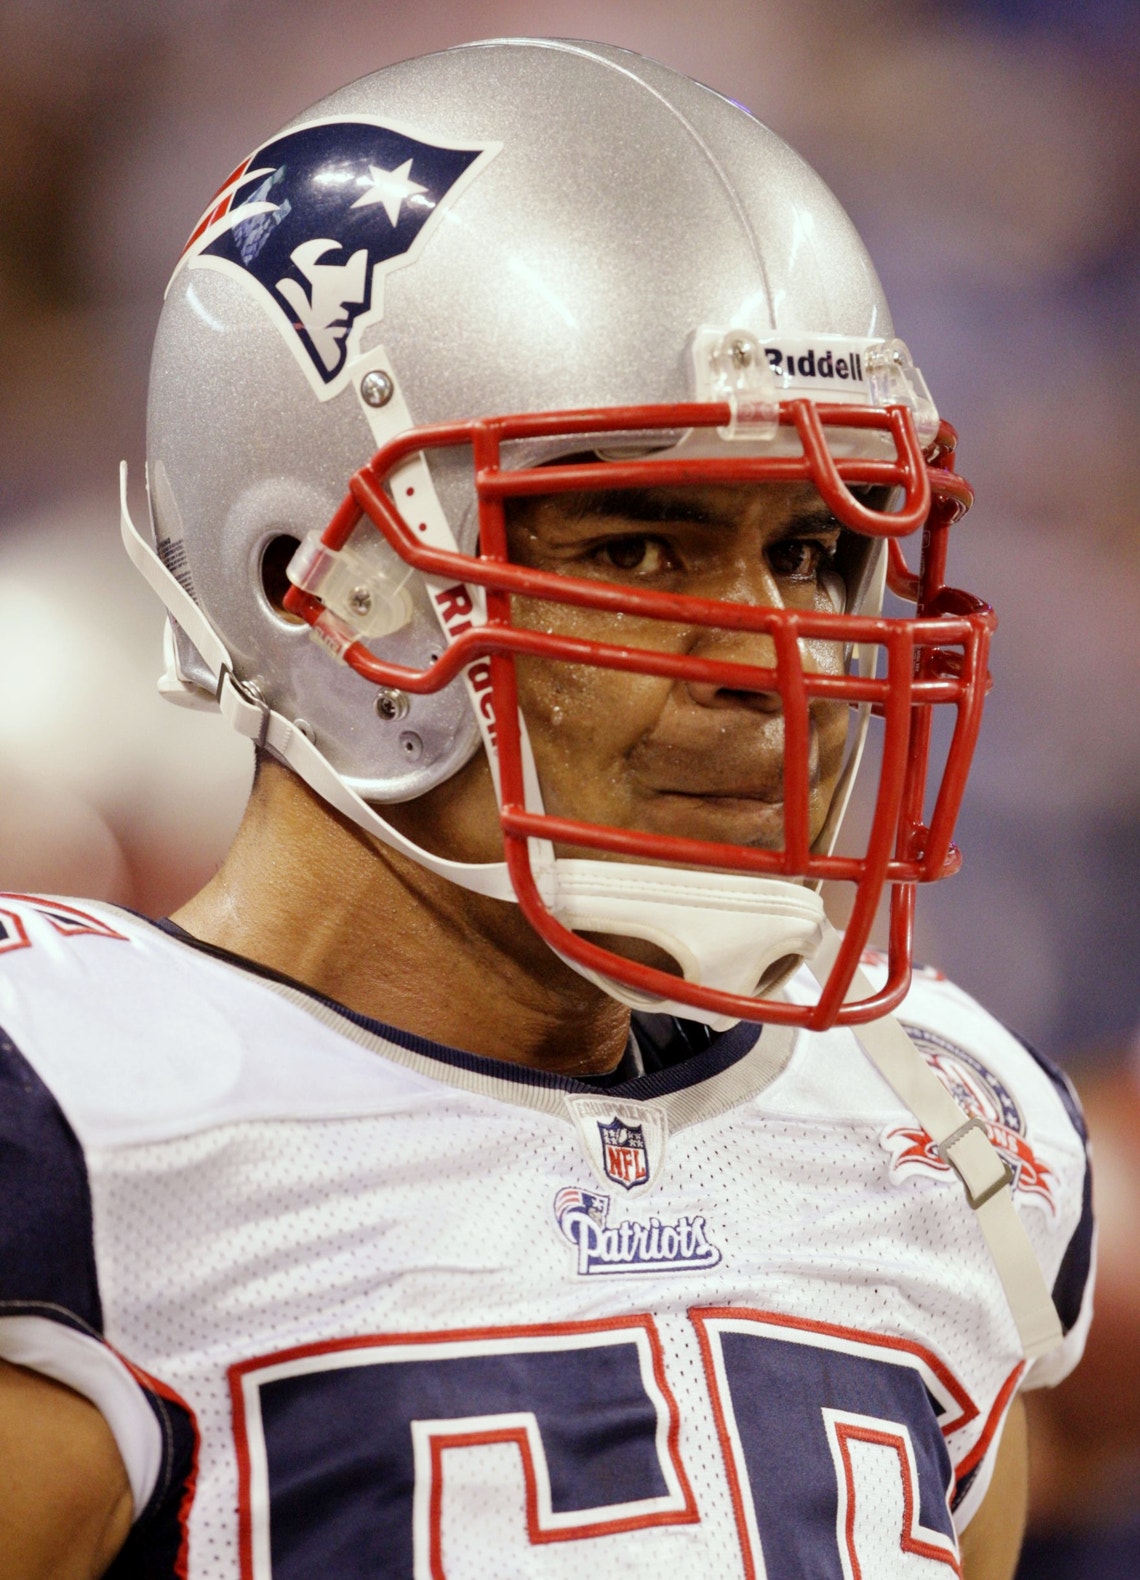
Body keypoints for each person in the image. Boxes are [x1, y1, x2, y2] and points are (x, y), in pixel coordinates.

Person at [0, 38, 1092, 1580]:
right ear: (323, 591)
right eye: (645, 547)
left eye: (812, 552)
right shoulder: (77, 1141)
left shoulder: (937, 1133)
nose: (772, 659)